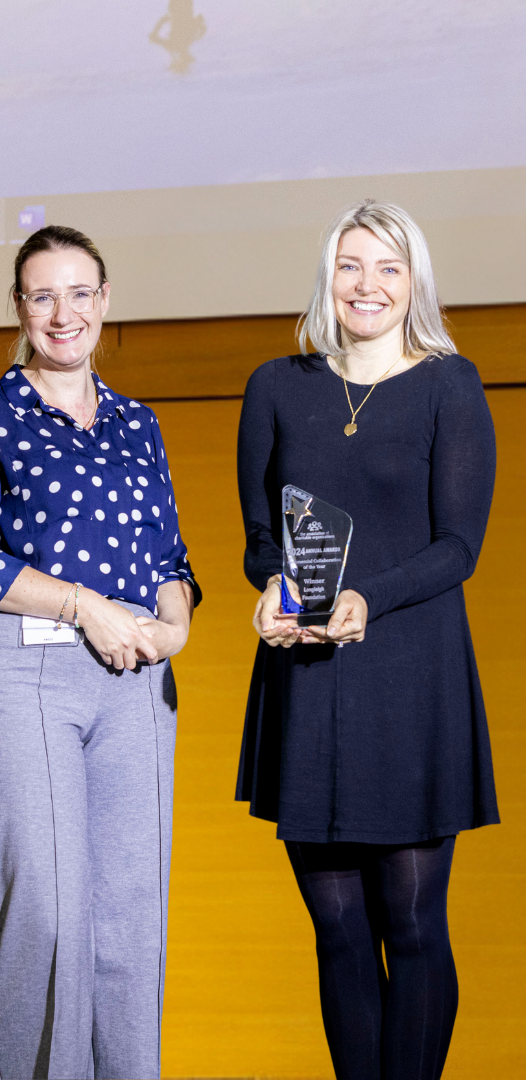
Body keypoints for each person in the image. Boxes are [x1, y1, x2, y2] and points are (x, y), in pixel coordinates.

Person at [0, 225, 199, 1080]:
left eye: (80, 293)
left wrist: (174, 625)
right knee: (45, 914)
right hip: (20, 668)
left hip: (134, 681)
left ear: (105, 302)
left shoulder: (137, 423)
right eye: (43, 295)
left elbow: (169, 562)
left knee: (128, 923)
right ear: (19, 308)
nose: (63, 312)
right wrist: (85, 606)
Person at [236, 199, 498, 1080]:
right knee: (339, 928)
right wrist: (272, 588)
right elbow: (260, 538)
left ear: (414, 280)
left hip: (412, 679)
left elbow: (459, 546)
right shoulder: (277, 385)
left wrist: (365, 600)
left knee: (413, 923)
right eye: (351, 265)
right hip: (306, 681)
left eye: (388, 267)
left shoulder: (449, 385)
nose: (368, 285)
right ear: (328, 278)